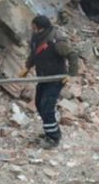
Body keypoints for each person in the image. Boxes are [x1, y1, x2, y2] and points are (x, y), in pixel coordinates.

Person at [20, 15, 78, 148]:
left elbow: (72, 55)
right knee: (39, 104)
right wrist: (27, 67)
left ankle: (53, 138)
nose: (33, 30)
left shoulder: (56, 41)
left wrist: (71, 74)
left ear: (41, 28)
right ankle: (49, 131)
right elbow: (34, 53)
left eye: (35, 28)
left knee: (47, 106)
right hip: (43, 77)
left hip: (56, 79)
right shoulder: (36, 37)